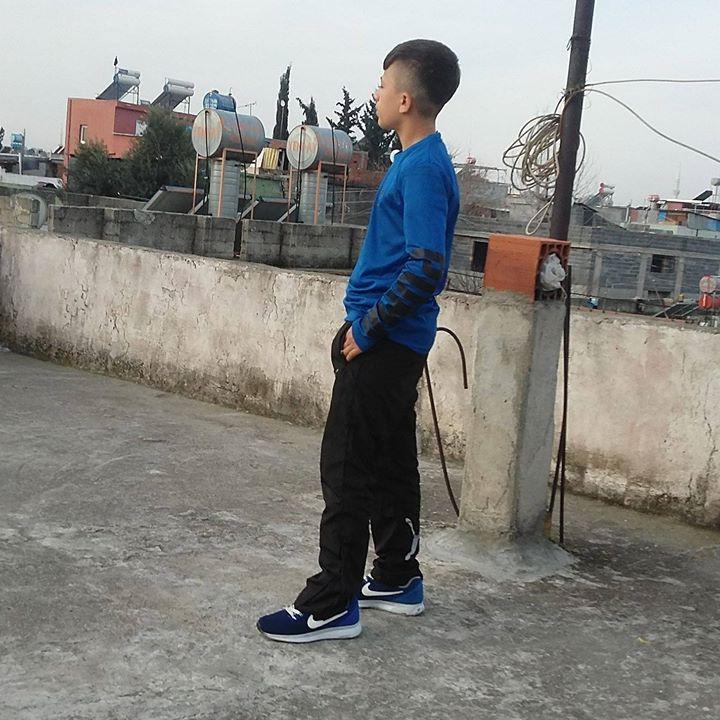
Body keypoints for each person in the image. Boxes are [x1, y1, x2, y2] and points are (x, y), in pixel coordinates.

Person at [257, 39, 461, 643]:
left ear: (405, 99)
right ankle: (397, 577)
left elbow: (426, 267)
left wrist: (367, 330)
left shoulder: (422, 168)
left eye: (382, 85)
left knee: (345, 467)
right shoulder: (417, 161)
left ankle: (331, 602)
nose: (375, 94)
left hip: (386, 342)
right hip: (391, 340)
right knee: (391, 461)